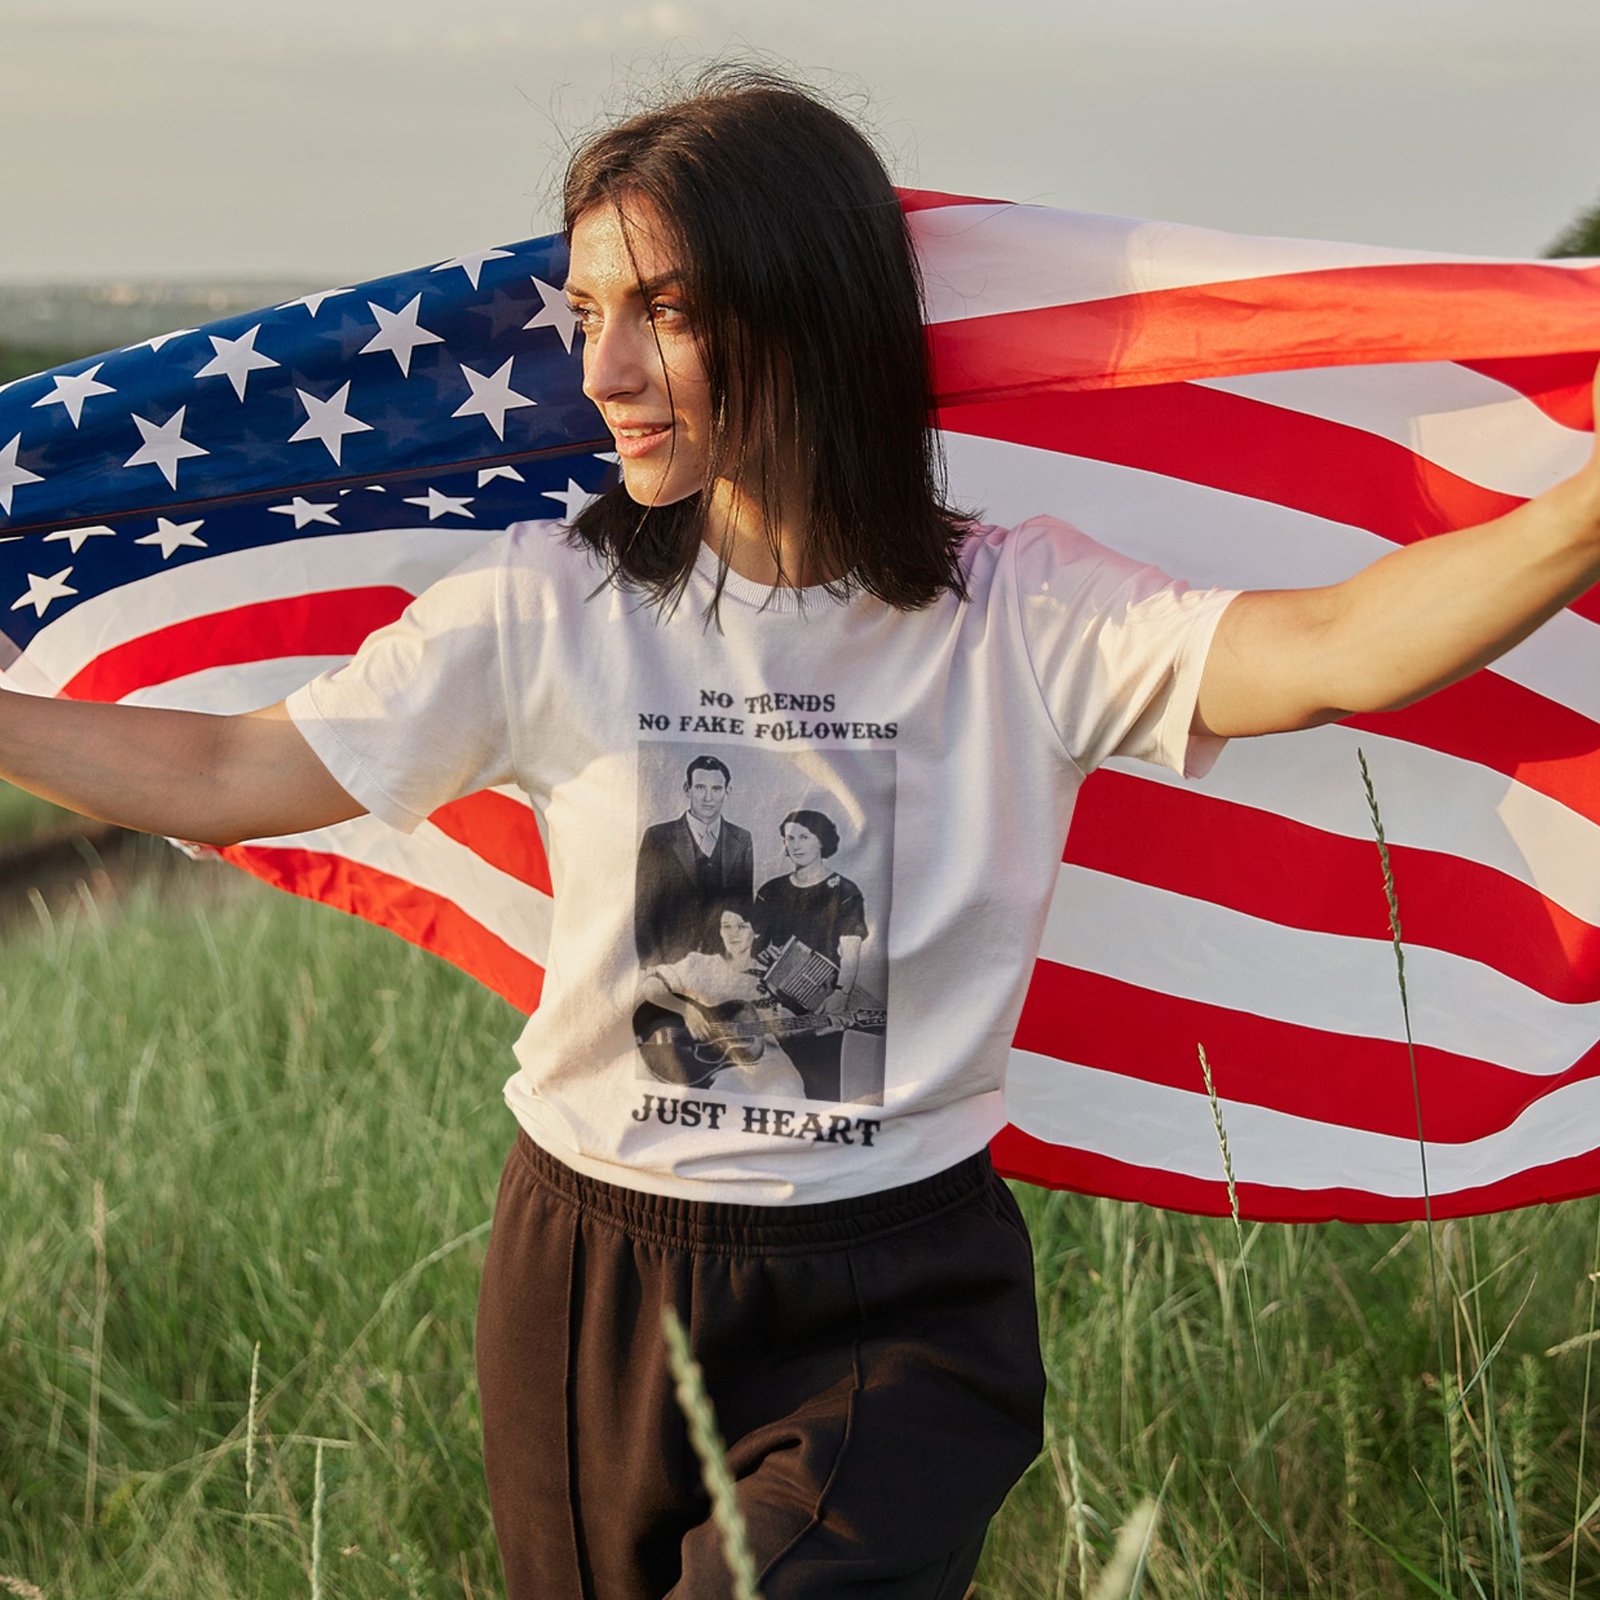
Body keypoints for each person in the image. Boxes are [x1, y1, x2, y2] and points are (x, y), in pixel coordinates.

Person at [0, 64, 1596, 1600]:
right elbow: (225, 774)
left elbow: (1332, 649)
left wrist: (1580, 511)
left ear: (810, 313)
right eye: (587, 316)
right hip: (595, 1278)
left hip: (898, 1299)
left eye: (666, 312)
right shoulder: (546, 606)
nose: (605, 371)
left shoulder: (1016, 612)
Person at [635, 899, 807, 1096]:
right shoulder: (699, 964)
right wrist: (687, 1011)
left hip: (768, 1062)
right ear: (719, 931)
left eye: (741, 926)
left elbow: (789, 1027)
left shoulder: (770, 973)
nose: (733, 933)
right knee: (729, 1095)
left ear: (756, 930)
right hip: (721, 1065)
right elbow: (651, 987)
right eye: (726, 927)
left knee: (789, 1093)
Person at [755, 808, 869, 1101]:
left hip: (822, 1004)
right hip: (773, 1006)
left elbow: (851, 949)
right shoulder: (770, 891)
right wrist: (764, 953)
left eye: (804, 837)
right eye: (789, 838)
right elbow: (755, 945)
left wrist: (840, 995)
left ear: (822, 841)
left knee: (822, 1091)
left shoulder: (845, 891)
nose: (795, 845)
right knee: (773, 1090)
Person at [634, 753, 755, 965]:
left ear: (728, 792)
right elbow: (644, 910)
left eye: (716, 789)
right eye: (700, 787)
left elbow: (744, 909)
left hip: (722, 966)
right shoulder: (658, 836)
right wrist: (651, 966)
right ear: (687, 789)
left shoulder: (742, 839)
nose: (708, 797)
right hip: (669, 964)